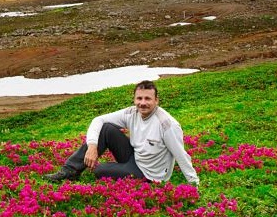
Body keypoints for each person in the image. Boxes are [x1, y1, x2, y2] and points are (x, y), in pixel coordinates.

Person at [44, 80, 200, 186]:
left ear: (156, 100)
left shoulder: (167, 124)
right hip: (135, 157)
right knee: (106, 128)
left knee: (99, 170)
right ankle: (69, 171)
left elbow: (181, 155)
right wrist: (92, 146)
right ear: (134, 99)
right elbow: (98, 119)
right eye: (139, 98)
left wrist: (194, 183)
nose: (143, 103)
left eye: (148, 99)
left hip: (149, 174)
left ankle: (121, 169)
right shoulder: (132, 113)